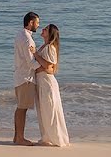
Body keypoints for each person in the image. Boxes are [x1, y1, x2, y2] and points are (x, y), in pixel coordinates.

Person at [32, 24, 70, 147]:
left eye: (46, 29)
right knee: (45, 110)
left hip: (47, 82)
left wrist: (36, 55)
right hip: (42, 82)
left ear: (50, 34)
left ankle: (56, 138)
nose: (43, 29)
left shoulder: (49, 48)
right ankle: (47, 137)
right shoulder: (44, 46)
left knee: (50, 110)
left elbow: (49, 68)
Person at [13, 11, 40, 145]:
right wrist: (46, 63)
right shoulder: (27, 38)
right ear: (31, 23)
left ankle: (17, 136)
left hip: (20, 76)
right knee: (22, 108)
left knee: (20, 108)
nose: (38, 26)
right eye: (37, 23)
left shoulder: (20, 35)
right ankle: (19, 138)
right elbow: (31, 63)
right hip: (26, 78)